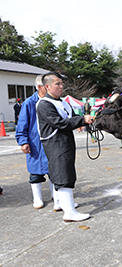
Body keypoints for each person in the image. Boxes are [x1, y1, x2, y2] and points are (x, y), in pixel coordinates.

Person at [36, 72, 93, 222]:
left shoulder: (63, 102)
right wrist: (82, 120)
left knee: (65, 172)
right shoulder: (44, 104)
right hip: (55, 143)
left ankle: (65, 204)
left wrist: (81, 121)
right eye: (57, 84)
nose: (61, 86)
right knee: (63, 175)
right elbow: (59, 123)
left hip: (66, 141)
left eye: (62, 83)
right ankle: (69, 213)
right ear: (47, 86)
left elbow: (72, 117)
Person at [15, 75, 51, 209]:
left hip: (52, 141)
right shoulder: (29, 102)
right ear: (40, 87)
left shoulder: (53, 100)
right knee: (36, 172)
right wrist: (23, 141)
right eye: (47, 85)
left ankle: (57, 196)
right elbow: (22, 124)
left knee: (55, 171)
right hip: (35, 143)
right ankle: (37, 198)